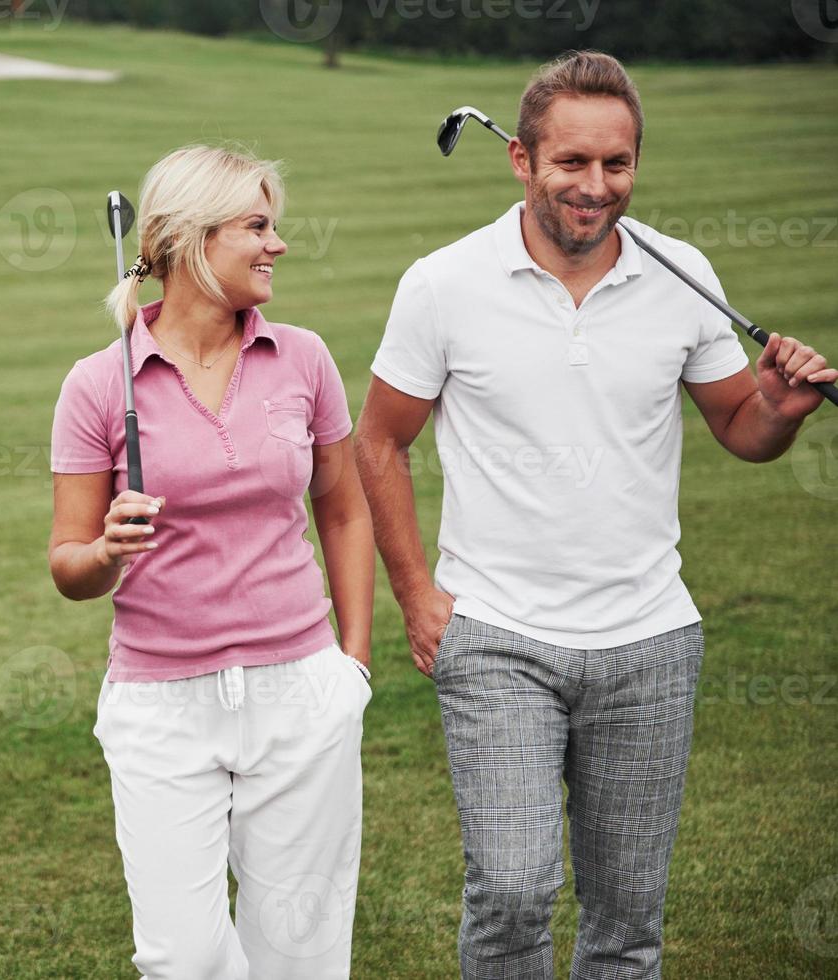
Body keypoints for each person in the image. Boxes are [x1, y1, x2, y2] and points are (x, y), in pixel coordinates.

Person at [353, 51, 837, 979]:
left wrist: (777, 407)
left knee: (624, 923)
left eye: (616, 164)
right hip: (495, 632)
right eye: (570, 163)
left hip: (648, 638)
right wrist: (417, 595)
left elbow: (740, 427)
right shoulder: (443, 284)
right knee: (511, 888)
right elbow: (376, 441)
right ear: (520, 161)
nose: (595, 186)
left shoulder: (681, 275)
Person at [48, 143, 376, 978]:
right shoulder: (97, 384)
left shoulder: (302, 357)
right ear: (191, 239)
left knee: (299, 952)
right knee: (181, 958)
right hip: (160, 702)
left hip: (299, 687)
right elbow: (67, 564)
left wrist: (353, 665)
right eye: (257, 226)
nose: (278, 245)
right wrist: (107, 550)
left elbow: (342, 510)